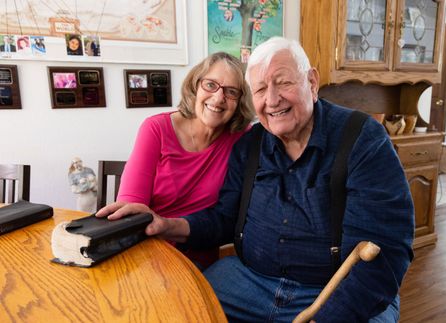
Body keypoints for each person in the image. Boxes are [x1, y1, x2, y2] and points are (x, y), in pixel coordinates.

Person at [100, 37, 414, 322]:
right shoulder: (249, 145)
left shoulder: (362, 139)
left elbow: (384, 251)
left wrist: (328, 317)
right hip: (249, 282)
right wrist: (167, 224)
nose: (272, 99)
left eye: (283, 82)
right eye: (261, 89)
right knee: (179, 310)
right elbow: (224, 218)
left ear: (312, 82)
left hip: (332, 290)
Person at [96, 52, 255, 269]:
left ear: (240, 101)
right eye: (210, 85)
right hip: (146, 252)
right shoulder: (156, 129)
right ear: (195, 86)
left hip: (199, 259)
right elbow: (131, 208)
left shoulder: (243, 138)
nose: (218, 98)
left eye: (231, 91)